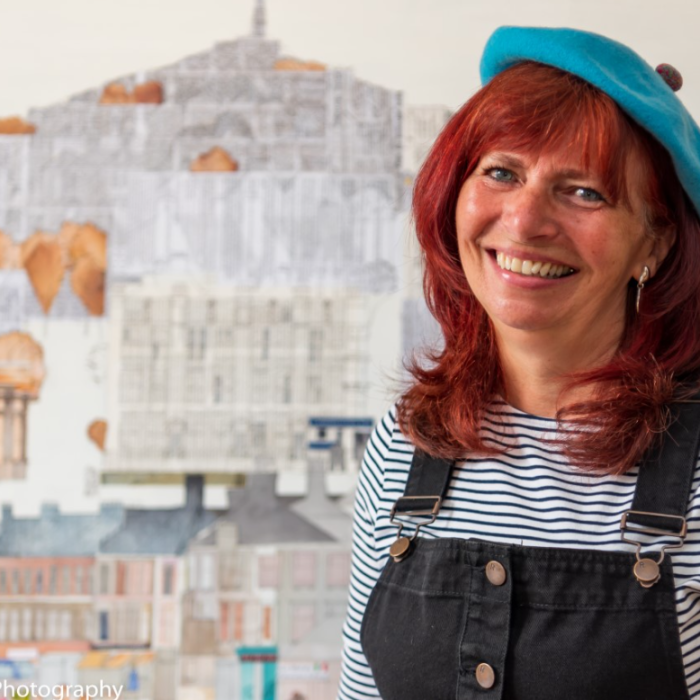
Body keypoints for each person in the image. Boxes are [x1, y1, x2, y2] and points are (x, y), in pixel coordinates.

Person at [338, 26, 700, 700]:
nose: (525, 220)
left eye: (584, 191)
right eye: (501, 173)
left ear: (654, 243)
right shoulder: (404, 441)